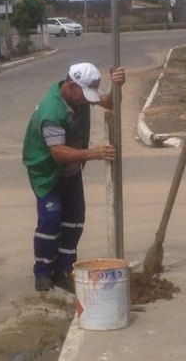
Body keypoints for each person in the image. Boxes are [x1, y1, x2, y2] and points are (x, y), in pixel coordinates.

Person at [22, 62, 125, 293]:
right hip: (47, 172)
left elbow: (110, 103)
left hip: (71, 170)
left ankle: (64, 270)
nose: (87, 101)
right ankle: (42, 272)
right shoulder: (51, 112)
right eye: (84, 96)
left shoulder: (80, 95)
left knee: (74, 221)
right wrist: (95, 153)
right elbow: (58, 153)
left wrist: (118, 85)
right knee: (50, 222)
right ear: (70, 86)